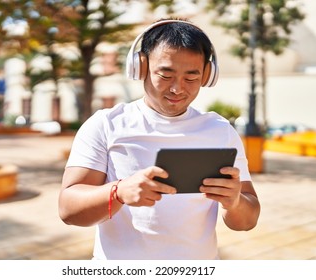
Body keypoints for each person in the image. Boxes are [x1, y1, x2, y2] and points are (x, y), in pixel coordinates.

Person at [59, 18, 260, 260]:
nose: (178, 89)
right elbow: (68, 209)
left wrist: (235, 202)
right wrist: (119, 192)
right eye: (166, 75)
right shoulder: (106, 124)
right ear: (140, 67)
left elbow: (247, 221)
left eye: (191, 77)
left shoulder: (220, 130)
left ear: (207, 75)